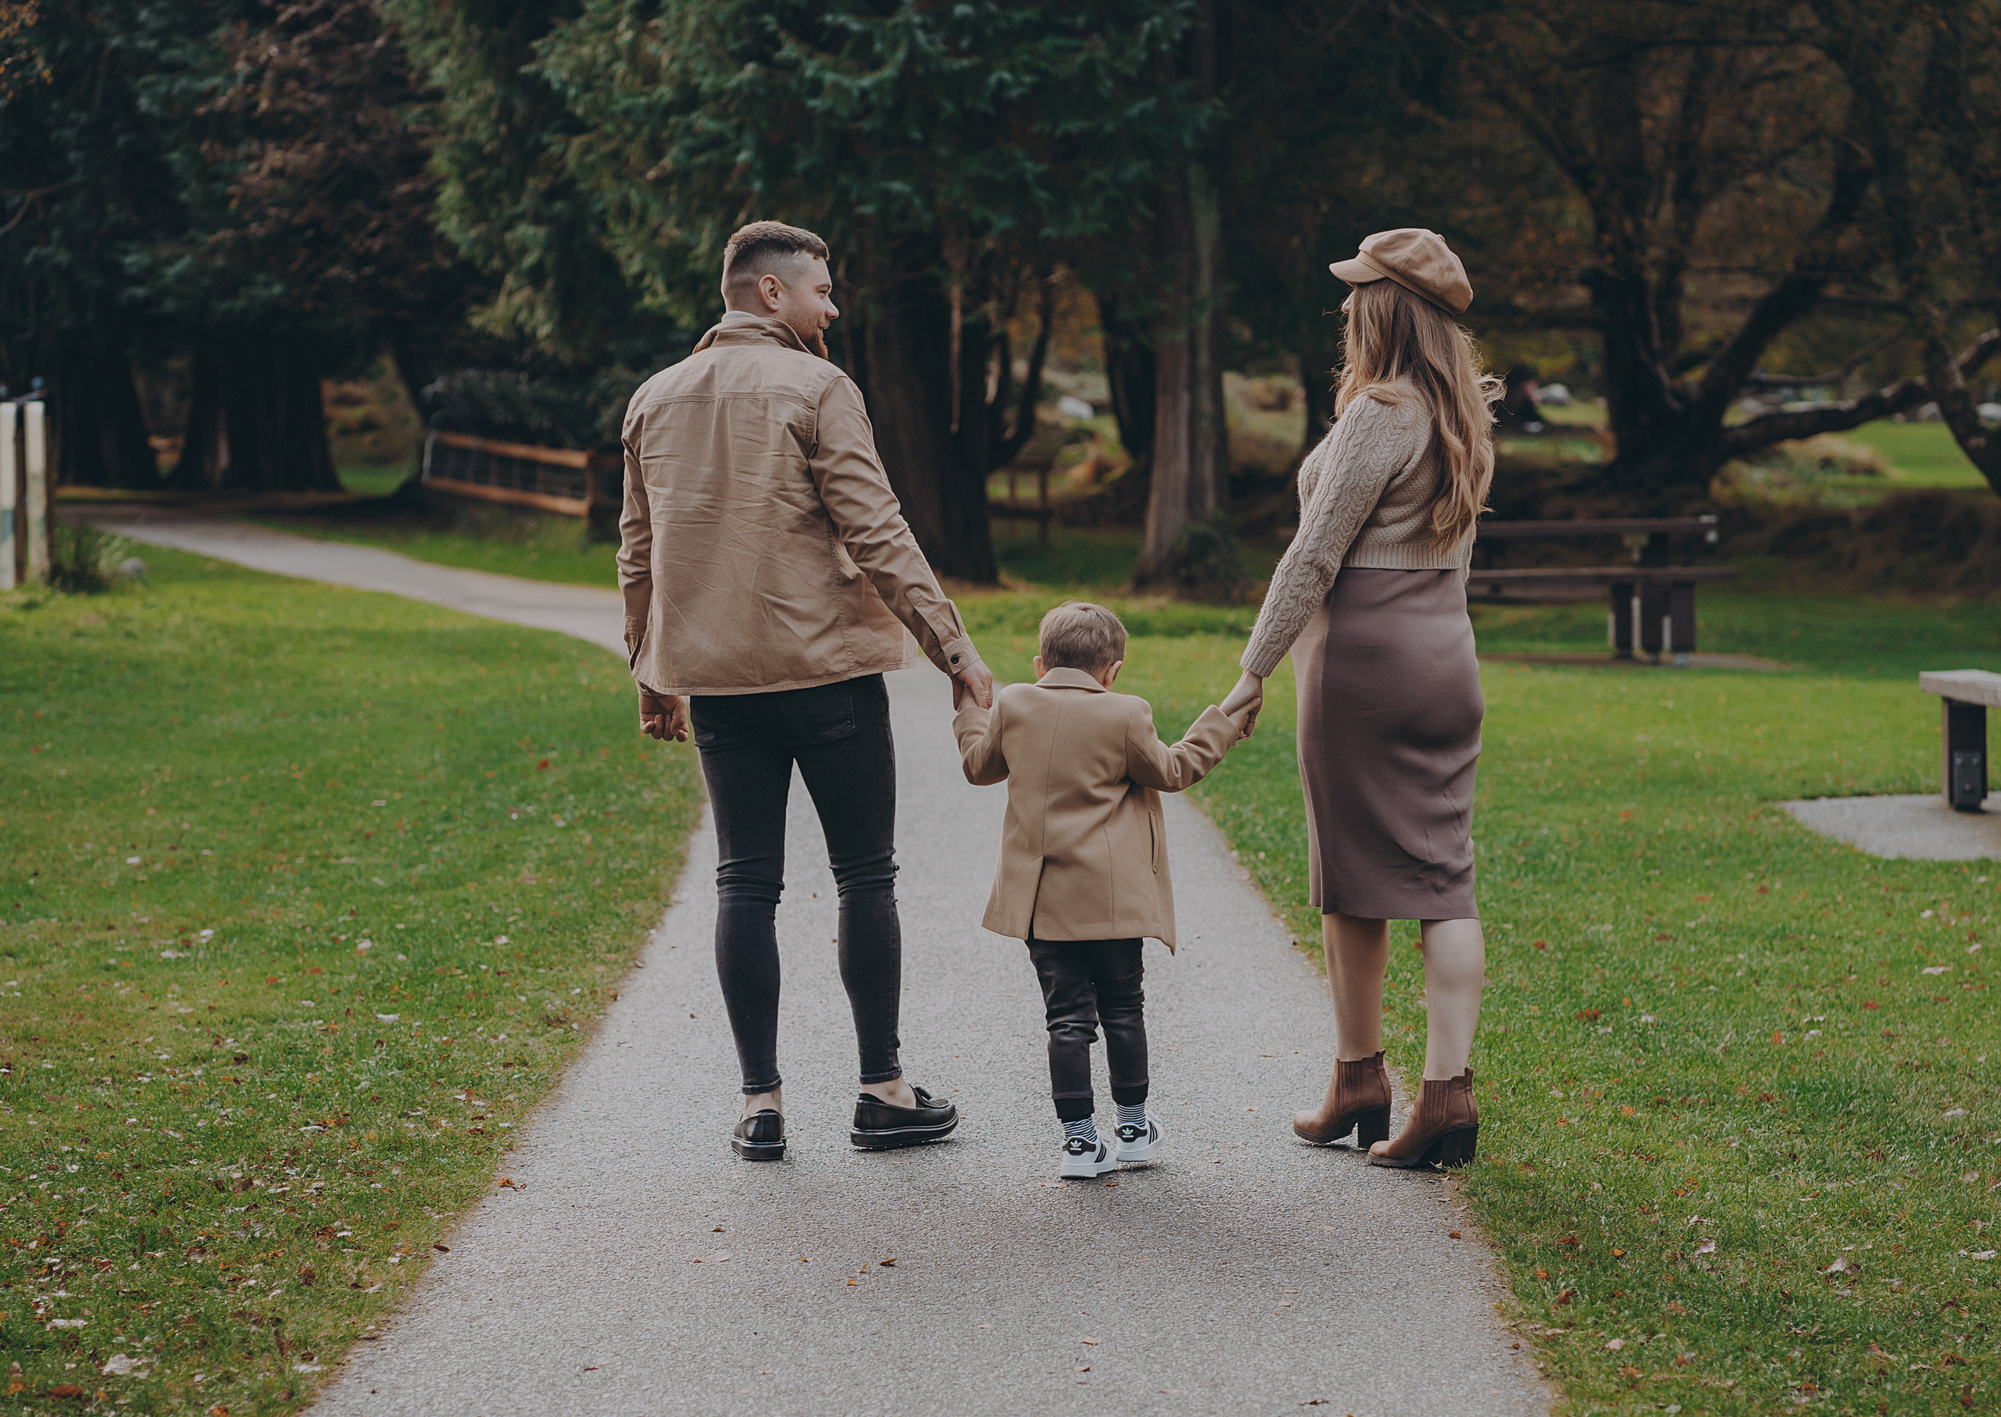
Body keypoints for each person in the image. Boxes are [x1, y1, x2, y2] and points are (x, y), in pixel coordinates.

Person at [619, 219, 998, 1163]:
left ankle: (761, 1105)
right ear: (769, 294)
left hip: (717, 688)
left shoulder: (654, 399)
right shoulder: (819, 387)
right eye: (822, 290)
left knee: (744, 880)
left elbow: (638, 552)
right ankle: (882, 1090)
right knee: (865, 873)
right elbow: (878, 529)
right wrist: (955, 649)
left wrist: (649, 671)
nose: (835, 307)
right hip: (827, 674)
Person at [1219, 228, 1499, 1170]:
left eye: (1356, 295)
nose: (1343, 308)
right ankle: (1447, 1095)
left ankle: (1358, 1074)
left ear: (1384, 308)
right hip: (1445, 652)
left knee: (1354, 879)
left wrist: (1253, 668)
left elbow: (1314, 553)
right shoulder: (1462, 414)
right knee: (1443, 882)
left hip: (1365, 660)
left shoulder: (1382, 411)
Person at [955, 602, 1246, 1178]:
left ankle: (1079, 1143)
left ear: (1041, 663)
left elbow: (978, 766)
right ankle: (1133, 1126)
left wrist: (967, 707)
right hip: (1113, 904)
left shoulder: (1014, 705)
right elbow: (1173, 771)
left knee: (1065, 1020)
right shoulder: (1126, 714)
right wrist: (1227, 720)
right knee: (1123, 1008)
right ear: (1112, 671)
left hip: (1044, 903)